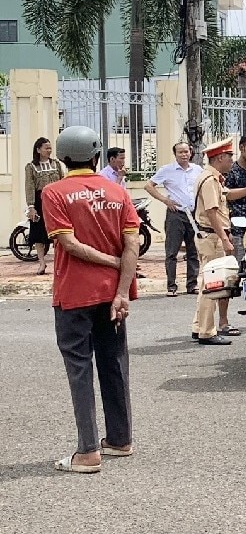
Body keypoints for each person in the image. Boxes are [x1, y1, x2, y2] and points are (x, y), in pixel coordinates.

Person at [41, 126, 139, 473]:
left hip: (74, 293)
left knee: (79, 368)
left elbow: (68, 244)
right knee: (114, 363)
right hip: (112, 293)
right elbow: (132, 245)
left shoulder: (54, 192)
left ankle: (87, 452)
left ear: (63, 158)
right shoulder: (117, 191)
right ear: (97, 156)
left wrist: (110, 262)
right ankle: (119, 439)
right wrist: (122, 286)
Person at [190, 138, 237, 346]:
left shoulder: (212, 178)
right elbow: (212, 212)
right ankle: (207, 331)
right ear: (219, 158)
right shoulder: (210, 181)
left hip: (209, 235)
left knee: (205, 282)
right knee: (212, 283)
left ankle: (199, 326)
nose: (231, 161)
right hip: (212, 236)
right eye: (229, 157)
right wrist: (225, 238)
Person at [145, 142, 203, 296]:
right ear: (175, 154)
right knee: (172, 252)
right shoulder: (167, 170)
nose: (184, 155)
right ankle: (171, 286)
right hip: (176, 214)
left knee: (193, 251)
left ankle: (192, 285)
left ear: (190, 152)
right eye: (180, 152)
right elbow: (149, 186)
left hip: (193, 215)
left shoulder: (197, 170)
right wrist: (165, 200)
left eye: (186, 151)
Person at [25, 137, 66, 275]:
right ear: (38, 150)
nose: (49, 150)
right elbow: (29, 187)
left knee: (57, 232)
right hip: (39, 201)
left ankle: (58, 263)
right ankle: (42, 263)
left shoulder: (56, 164)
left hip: (55, 200)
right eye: (46, 148)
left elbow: (62, 181)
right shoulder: (31, 167)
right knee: (38, 232)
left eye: (50, 148)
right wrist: (31, 206)